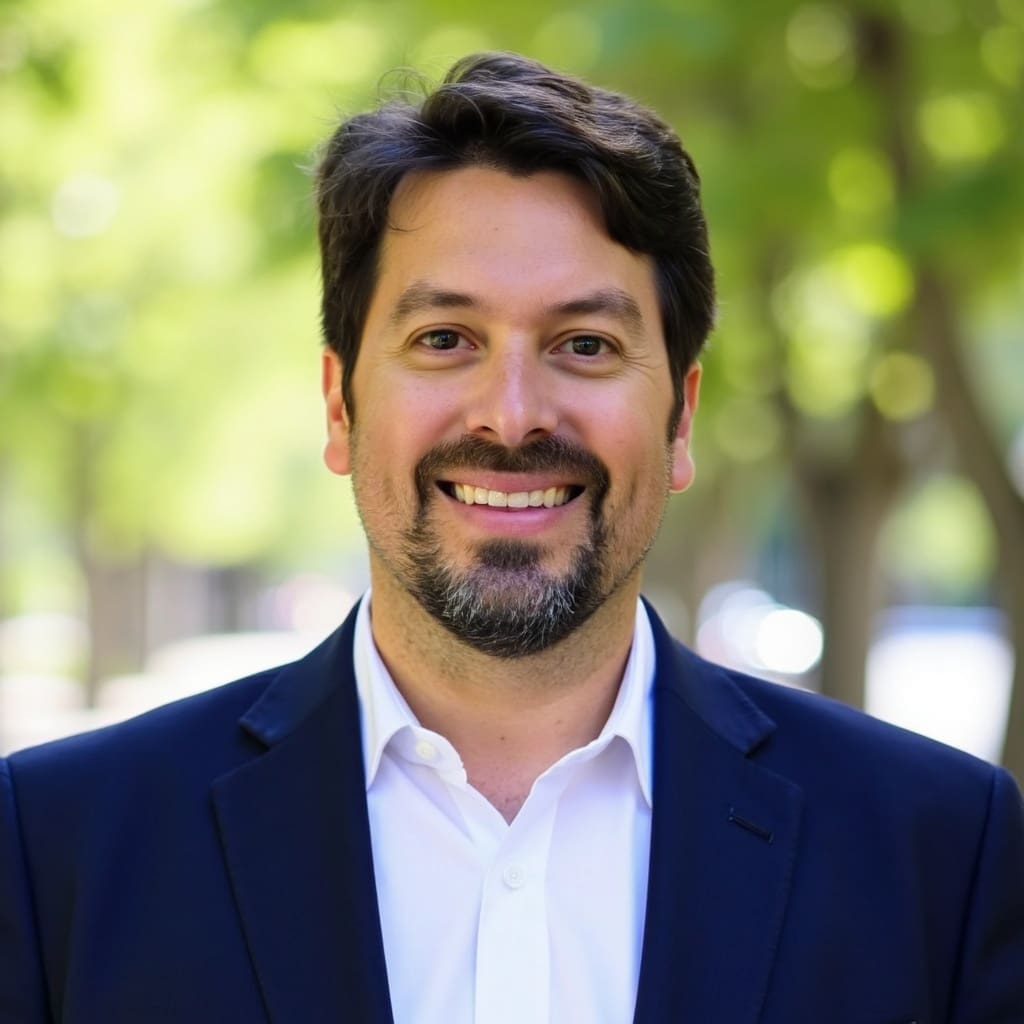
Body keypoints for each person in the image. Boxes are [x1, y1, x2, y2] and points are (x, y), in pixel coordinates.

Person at [1, 51, 1022, 1024]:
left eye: (585, 344)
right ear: (340, 406)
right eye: (445, 339)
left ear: (680, 419)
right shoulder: (58, 851)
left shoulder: (939, 850)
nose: (512, 414)